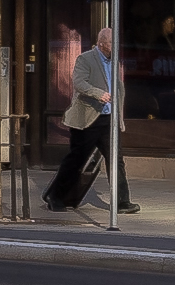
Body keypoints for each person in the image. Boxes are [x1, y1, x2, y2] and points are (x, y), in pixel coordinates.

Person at [46, 32, 120, 215]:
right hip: (87, 119)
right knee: (77, 159)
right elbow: (79, 83)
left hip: (107, 118)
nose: (115, 44)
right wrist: (98, 93)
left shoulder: (114, 61)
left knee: (116, 159)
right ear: (102, 43)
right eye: (112, 41)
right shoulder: (85, 59)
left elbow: (118, 88)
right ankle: (55, 196)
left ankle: (122, 201)